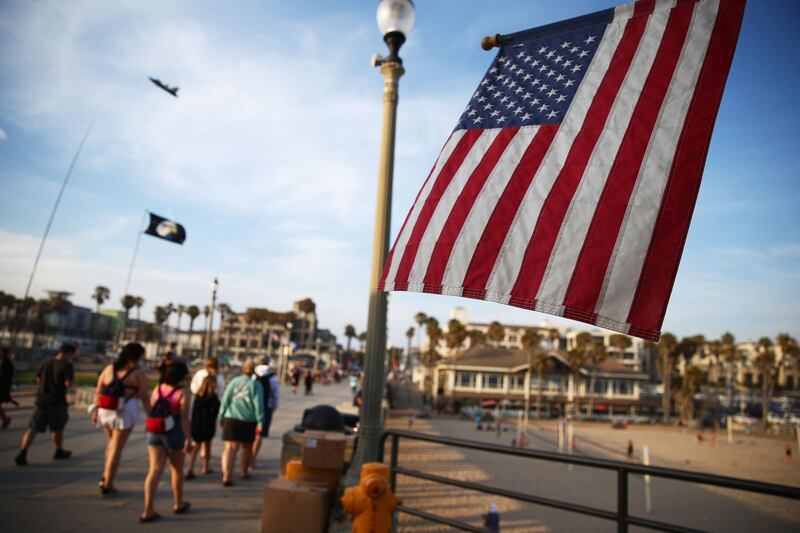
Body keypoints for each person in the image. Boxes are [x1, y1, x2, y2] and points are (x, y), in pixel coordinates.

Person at [93, 342, 150, 495]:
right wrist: (150, 414)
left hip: (106, 409)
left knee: (111, 444)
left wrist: (95, 410)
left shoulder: (109, 369)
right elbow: (144, 395)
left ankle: (105, 475)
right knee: (116, 448)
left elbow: (99, 390)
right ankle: (108, 483)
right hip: (125, 411)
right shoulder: (137, 373)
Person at [141, 362, 192, 523]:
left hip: (155, 430)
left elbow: (151, 407)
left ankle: (147, 510)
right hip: (174, 431)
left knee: (154, 470)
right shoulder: (183, 392)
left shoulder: (158, 388)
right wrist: (188, 438)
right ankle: (178, 503)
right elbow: (184, 417)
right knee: (176, 469)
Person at [15, 343, 76, 466]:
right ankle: (58, 450)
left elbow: (37, 379)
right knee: (57, 428)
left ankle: (23, 452)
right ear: (68, 353)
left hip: (41, 400)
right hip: (57, 401)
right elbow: (67, 383)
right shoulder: (67, 365)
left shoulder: (46, 362)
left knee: (33, 428)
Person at [218, 358, 265, 486]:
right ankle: (244, 471)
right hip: (248, 420)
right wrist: (260, 421)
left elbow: (225, 400)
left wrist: (221, 415)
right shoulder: (256, 385)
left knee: (230, 448)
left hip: (231, 418)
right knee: (246, 448)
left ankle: (226, 476)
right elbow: (259, 405)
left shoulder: (234, 382)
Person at [186, 374, 221, 479]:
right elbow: (215, 412)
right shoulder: (213, 397)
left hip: (197, 424)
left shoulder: (198, 396)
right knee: (207, 446)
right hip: (208, 425)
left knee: (196, 447)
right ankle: (205, 467)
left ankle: (190, 468)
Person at [250, 356, 280, 473]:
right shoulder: (273, 377)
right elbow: (276, 394)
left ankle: (247, 458)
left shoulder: (253, 374)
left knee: (250, 434)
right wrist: (273, 407)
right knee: (259, 435)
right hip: (266, 407)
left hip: (253, 407)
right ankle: (253, 459)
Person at [0, 347, 17, 429]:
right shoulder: (4, 362)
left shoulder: (5, 363)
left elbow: (5, 378)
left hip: (2, 388)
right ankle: (5, 419)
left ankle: (5, 419)